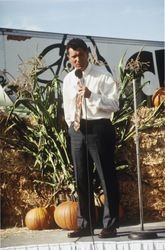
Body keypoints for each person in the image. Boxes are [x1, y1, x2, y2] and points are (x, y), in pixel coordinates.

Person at [62, 38, 120, 238]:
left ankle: (110, 224)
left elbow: (114, 105)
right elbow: (67, 106)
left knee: (106, 176)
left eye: (80, 54)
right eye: (73, 56)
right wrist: (71, 124)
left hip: (99, 128)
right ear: (69, 58)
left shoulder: (102, 76)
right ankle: (85, 224)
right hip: (77, 130)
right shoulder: (68, 79)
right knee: (81, 178)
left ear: (87, 53)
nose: (77, 59)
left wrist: (91, 96)